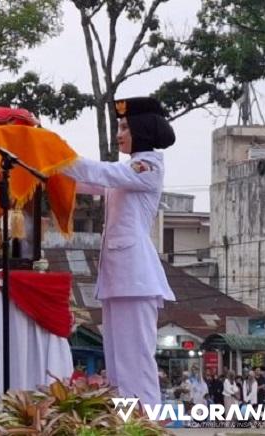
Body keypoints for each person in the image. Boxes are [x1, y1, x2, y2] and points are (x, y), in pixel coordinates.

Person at [61, 96, 176, 408]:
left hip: (135, 279)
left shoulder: (147, 165)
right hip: (120, 279)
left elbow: (99, 173)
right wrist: (44, 166)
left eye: (125, 126)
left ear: (142, 128)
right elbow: (87, 178)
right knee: (118, 367)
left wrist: (53, 152)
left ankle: (147, 426)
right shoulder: (129, 170)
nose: (119, 133)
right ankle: (127, 425)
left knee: (135, 364)